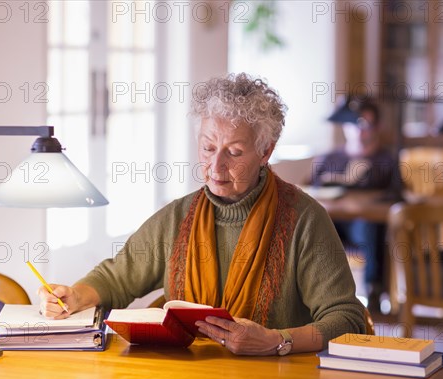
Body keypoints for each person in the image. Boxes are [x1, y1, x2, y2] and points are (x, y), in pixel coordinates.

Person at [39, 73, 366, 356]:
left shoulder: (304, 220)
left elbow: (346, 319)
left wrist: (277, 341)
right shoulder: (177, 218)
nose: (216, 165)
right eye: (208, 147)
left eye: (234, 152)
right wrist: (73, 296)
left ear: (266, 150)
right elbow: (115, 278)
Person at [308, 101, 397, 311]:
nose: (358, 130)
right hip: (332, 222)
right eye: (353, 123)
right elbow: (311, 191)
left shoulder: (386, 160)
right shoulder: (328, 158)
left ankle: (373, 295)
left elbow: (395, 194)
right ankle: (318, 298)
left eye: (364, 124)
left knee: (370, 228)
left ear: (375, 127)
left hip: (364, 226)